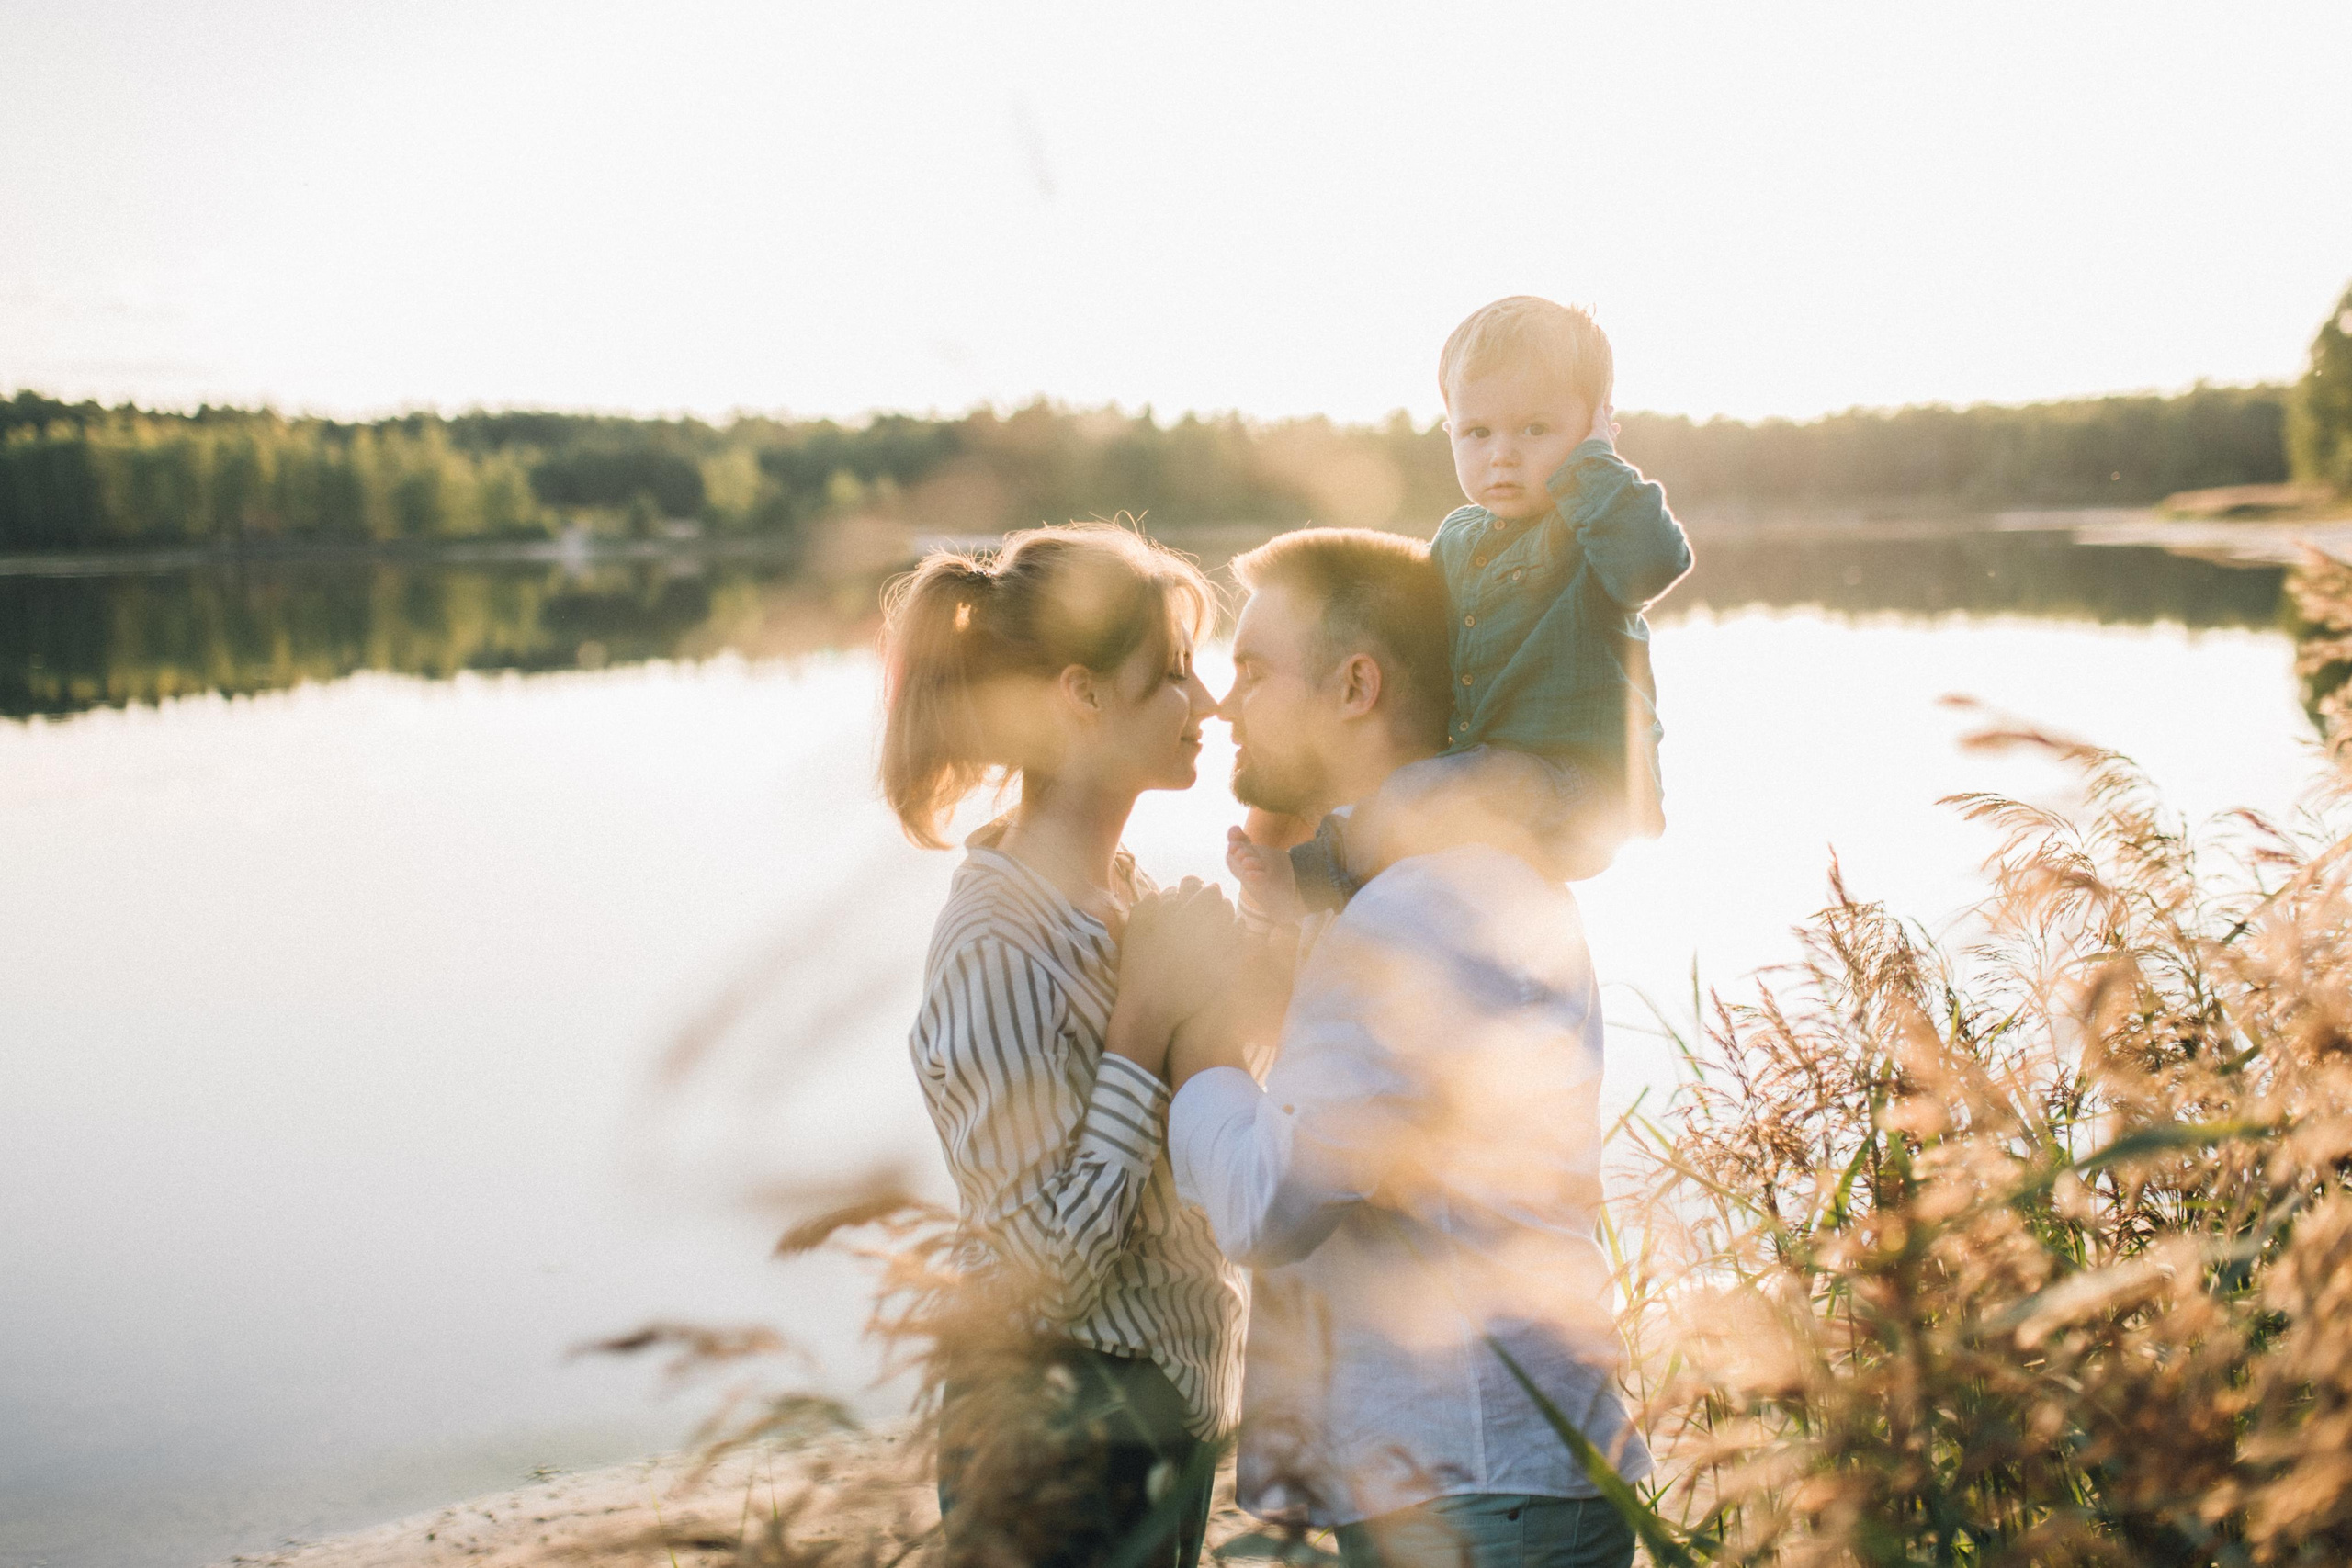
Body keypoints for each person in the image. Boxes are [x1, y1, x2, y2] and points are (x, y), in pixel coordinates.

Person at [1138, 527, 1654, 1568]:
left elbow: (1266, 1203)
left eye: (1254, 670)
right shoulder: (1423, 880)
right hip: (1486, 1483)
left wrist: (1191, 1043)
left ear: (1356, 686)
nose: (1225, 704)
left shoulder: (1416, 910)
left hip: (1478, 1491)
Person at [879, 523, 1249, 1568]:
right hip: (1062, 1435)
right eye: (1172, 674)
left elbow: (1183, 1171)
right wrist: (1143, 1023)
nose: (1210, 701)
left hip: (1162, 1418)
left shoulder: (1120, 892)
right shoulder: (996, 942)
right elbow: (1045, 1276)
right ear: (1081, 695)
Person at [1230, 295, 1692, 919]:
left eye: (1535, 429)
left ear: (1594, 427)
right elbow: (1418, 639)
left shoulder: (1593, 532)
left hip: (1584, 785)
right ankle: (1325, 904)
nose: (1502, 454)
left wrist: (1594, 464)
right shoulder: (1457, 538)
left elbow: (1655, 561)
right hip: (1486, 770)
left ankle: (1307, 882)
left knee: (1426, 794)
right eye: (1478, 432)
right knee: (1411, 794)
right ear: (1450, 431)